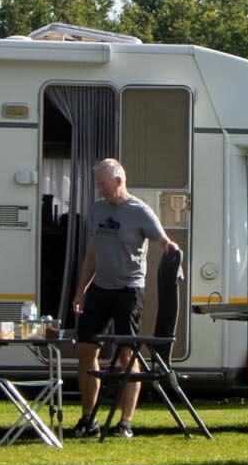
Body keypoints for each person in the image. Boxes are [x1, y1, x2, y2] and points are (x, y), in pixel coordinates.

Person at [69, 157, 174, 438]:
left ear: (118, 181)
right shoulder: (98, 209)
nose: (100, 189)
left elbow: (164, 242)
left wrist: (174, 256)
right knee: (85, 350)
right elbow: (92, 253)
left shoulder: (140, 211)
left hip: (129, 289)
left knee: (127, 352)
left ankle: (125, 423)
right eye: (97, 185)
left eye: (103, 184)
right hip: (100, 288)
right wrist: (81, 291)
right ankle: (88, 419)